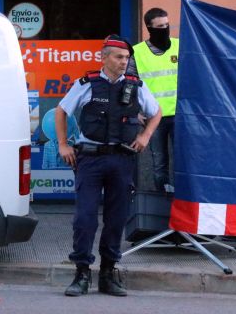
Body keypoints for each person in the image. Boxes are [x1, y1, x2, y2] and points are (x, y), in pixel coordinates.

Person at [56, 35, 161, 297]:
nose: (124, 62)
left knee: (116, 219)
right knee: (85, 219)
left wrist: (145, 135)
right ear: (104, 58)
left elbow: (156, 112)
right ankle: (81, 273)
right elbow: (61, 110)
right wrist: (62, 144)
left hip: (122, 160)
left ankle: (108, 273)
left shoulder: (136, 86)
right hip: (90, 160)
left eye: (126, 58)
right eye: (118, 57)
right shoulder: (87, 84)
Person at [133, 8, 178, 193]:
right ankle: (162, 201)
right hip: (153, 118)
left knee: (182, 160)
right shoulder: (137, 52)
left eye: (167, 25)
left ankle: (183, 202)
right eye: (160, 26)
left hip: (179, 115)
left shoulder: (179, 46)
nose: (165, 29)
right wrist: (136, 111)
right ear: (149, 28)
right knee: (159, 163)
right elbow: (129, 85)